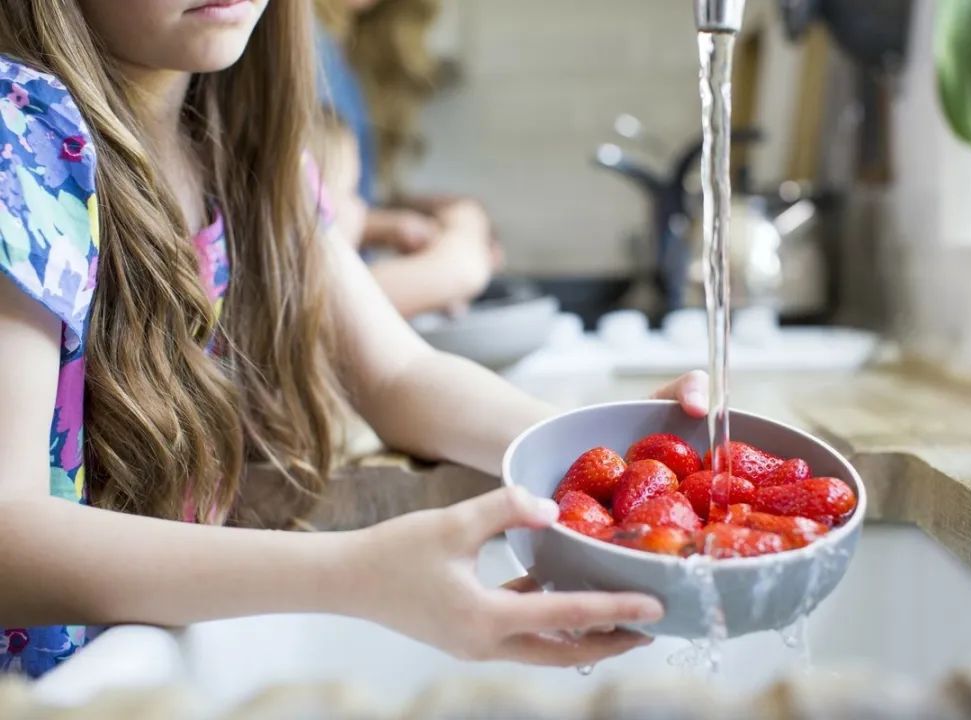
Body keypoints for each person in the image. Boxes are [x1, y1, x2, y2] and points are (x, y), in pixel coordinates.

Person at [0, 0, 709, 677]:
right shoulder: (18, 140)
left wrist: (605, 453)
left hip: (134, 667)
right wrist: (358, 573)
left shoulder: (245, 146)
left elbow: (398, 377)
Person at [315, 0, 503, 318]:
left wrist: (421, 217)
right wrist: (455, 267)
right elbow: (301, 223)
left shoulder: (342, 48)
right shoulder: (300, 47)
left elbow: (332, 203)